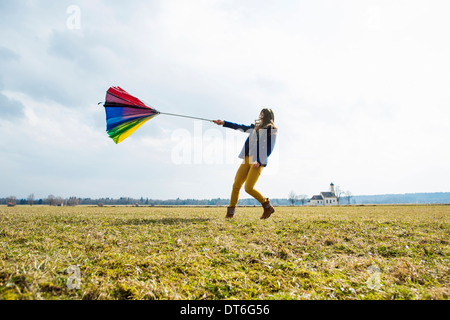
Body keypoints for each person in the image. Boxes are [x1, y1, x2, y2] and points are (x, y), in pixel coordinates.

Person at [213, 108, 278, 219]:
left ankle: (267, 206)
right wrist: (223, 122)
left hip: (258, 161)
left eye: (263, 115)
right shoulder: (255, 127)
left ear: (268, 116)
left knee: (248, 188)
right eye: (260, 114)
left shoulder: (271, 129)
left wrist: (259, 160)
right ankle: (230, 213)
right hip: (247, 159)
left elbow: (269, 148)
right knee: (236, 185)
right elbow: (239, 126)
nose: (261, 117)